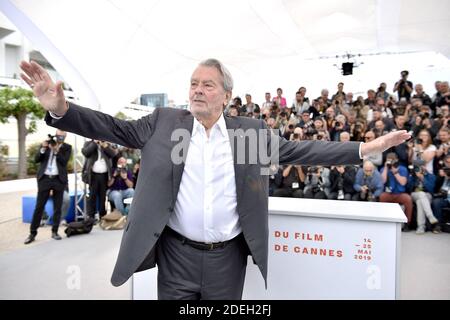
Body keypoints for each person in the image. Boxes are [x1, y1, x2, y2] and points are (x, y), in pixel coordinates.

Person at [20, 58, 410, 300]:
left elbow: (299, 151)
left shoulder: (250, 134)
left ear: (226, 96)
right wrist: (61, 109)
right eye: (193, 83)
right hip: (175, 257)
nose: (197, 90)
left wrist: (363, 149)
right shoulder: (162, 123)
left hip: (227, 260)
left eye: (207, 85)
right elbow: (110, 127)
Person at [24, 130, 72, 244]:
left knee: (57, 207)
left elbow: (64, 162)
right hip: (45, 178)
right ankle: (32, 233)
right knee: (39, 207)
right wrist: (43, 148)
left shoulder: (67, 147)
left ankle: (54, 231)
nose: (60, 137)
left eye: (62, 135)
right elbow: (36, 159)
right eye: (58, 135)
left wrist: (56, 151)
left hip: (58, 179)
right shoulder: (46, 145)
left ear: (65, 136)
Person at [81, 139, 117, 220]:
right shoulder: (89, 143)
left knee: (103, 196)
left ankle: (102, 215)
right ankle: (91, 217)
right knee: (92, 196)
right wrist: (94, 144)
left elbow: (113, 154)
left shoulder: (106, 144)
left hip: (104, 175)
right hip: (93, 175)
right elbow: (85, 153)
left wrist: (105, 146)